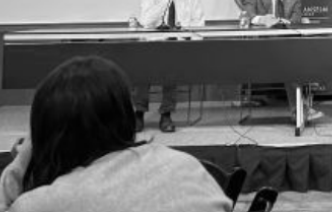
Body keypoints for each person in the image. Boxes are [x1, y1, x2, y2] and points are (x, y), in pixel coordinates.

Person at [0, 56, 230, 212]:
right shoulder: (184, 166)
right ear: (126, 116)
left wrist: (21, 162)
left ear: (47, 135)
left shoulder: (43, 204)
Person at [243, 0, 323, 122]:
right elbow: (248, 14)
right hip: (260, 48)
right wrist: (262, 19)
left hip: (286, 46)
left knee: (293, 55)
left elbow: (295, 21)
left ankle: (299, 111)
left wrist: (284, 21)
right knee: (291, 59)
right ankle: (301, 110)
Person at [135, 0, 205, 133]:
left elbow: (200, 26)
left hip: (179, 48)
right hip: (153, 46)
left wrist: (189, 42)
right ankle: (138, 113)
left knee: (171, 65)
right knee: (142, 68)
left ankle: (166, 114)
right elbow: (145, 22)